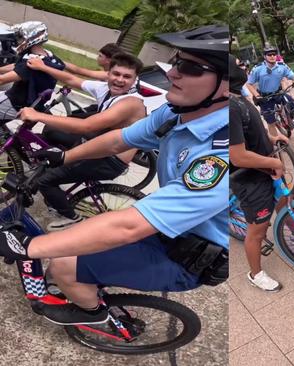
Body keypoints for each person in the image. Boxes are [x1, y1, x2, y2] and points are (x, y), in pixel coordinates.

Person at [0, 24, 230, 326]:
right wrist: (65, 156)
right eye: (175, 62)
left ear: (227, 85)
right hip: (164, 231)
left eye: (188, 67)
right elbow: (118, 140)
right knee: (80, 238)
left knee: (62, 264)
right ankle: (89, 280)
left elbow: (129, 226)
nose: (172, 73)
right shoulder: (176, 113)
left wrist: (28, 247)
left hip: (187, 255)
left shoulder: (220, 156)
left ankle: (95, 315)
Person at [18, 53, 147, 231]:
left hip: (110, 160)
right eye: (116, 74)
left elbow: (86, 126)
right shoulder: (104, 88)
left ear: (134, 80)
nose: (120, 80)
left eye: (127, 77)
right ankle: (57, 193)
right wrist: (43, 67)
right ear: (108, 73)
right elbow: (72, 79)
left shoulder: (130, 103)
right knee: (52, 138)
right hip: (98, 145)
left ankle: (72, 217)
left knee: (45, 181)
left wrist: (37, 115)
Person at [230, 55, 294, 292]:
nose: (243, 67)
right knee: (257, 229)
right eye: (238, 65)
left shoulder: (240, 97)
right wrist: (273, 162)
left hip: (264, 167)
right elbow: (237, 156)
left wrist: (272, 137)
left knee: (284, 197)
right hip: (248, 178)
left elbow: (252, 129)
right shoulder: (228, 107)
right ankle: (255, 274)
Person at [0, 21, 65, 122]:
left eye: (21, 37)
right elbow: (16, 67)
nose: (18, 40)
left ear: (31, 38)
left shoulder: (31, 63)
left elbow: (2, 80)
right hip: (29, 102)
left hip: (15, 104)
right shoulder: (47, 58)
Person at [245, 46, 294, 137]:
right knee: (271, 122)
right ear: (265, 56)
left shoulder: (281, 66)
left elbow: (292, 75)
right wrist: (257, 95)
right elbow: (249, 84)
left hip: (278, 92)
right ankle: (277, 141)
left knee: (293, 105)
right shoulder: (257, 69)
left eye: (274, 54)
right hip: (265, 97)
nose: (272, 56)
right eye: (269, 55)